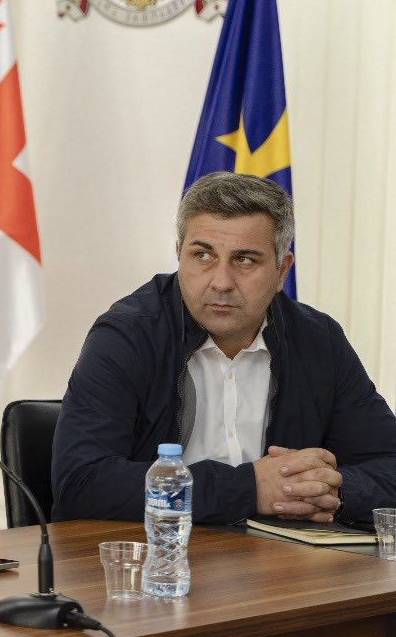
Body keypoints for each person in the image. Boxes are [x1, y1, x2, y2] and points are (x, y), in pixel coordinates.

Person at [52, 172, 396, 525]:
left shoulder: (318, 340)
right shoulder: (127, 336)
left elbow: (388, 464)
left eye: (245, 260)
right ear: (179, 255)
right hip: (159, 552)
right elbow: (80, 485)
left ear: (282, 271)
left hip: (277, 556)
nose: (221, 282)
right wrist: (250, 488)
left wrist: (325, 490)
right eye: (203, 255)